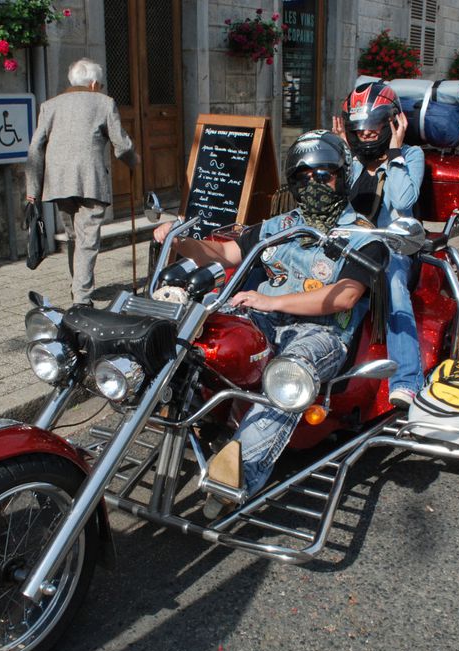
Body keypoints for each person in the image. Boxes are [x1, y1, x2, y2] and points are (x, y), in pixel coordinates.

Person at [152, 130, 388, 518]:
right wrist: (180, 240)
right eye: (303, 178)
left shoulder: (362, 235)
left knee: (288, 375)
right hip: (263, 317)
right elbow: (224, 252)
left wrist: (272, 299)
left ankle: (236, 474)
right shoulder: (281, 224)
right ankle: (173, 407)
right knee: (196, 334)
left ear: (342, 176)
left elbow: (345, 295)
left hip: (322, 332)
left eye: (324, 175)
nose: (314, 185)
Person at [334, 81, 425, 407]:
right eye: (360, 128)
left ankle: (408, 380)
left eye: (374, 126)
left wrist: (396, 150)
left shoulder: (411, 155)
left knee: (394, 283)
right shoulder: (352, 158)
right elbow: (332, 202)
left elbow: (403, 199)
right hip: (350, 242)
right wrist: (341, 152)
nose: (367, 134)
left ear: (392, 123)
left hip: (394, 246)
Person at [25, 58, 138, 306]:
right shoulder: (104, 102)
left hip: (58, 183)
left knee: (74, 236)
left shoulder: (49, 106)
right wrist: (134, 161)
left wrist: (32, 189)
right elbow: (122, 146)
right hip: (91, 182)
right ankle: (82, 299)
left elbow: (35, 149)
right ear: (95, 83)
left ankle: (78, 285)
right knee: (87, 240)